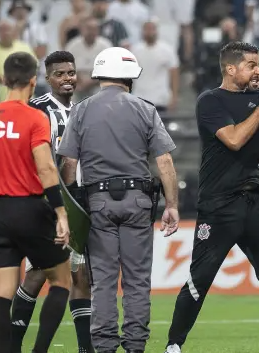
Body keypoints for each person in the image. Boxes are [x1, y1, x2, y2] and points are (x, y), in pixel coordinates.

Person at [164, 42, 259, 353]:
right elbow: (234, 140)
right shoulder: (211, 101)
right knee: (201, 277)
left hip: (257, 201)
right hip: (218, 204)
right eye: (251, 64)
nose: (258, 70)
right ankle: (173, 345)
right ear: (231, 68)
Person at [57, 47, 182, 353]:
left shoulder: (81, 110)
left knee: (103, 281)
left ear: (99, 74)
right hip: (138, 201)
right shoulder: (145, 108)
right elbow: (164, 161)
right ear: (130, 76)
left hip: (97, 202)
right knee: (137, 280)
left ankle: (104, 347)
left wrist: (72, 207)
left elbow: (69, 166)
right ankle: (135, 345)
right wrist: (172, 204)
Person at [0, 52, 73, 353]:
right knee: (62, 280)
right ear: (33, 81)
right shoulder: (34, 117)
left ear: (3, 80)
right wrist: (60, 212)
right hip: (31, 209)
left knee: (2, 292)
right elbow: (46, 168)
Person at [9, 51, 93, 353]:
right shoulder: (36, 109)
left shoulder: (85, 109)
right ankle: (14, 344)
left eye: (71, 72)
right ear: (48, 78)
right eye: (60, 74)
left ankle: (86, 348)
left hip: (80, 202)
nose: (67, 78)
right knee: (36, 274)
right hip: (46, 204)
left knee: (80, 274)